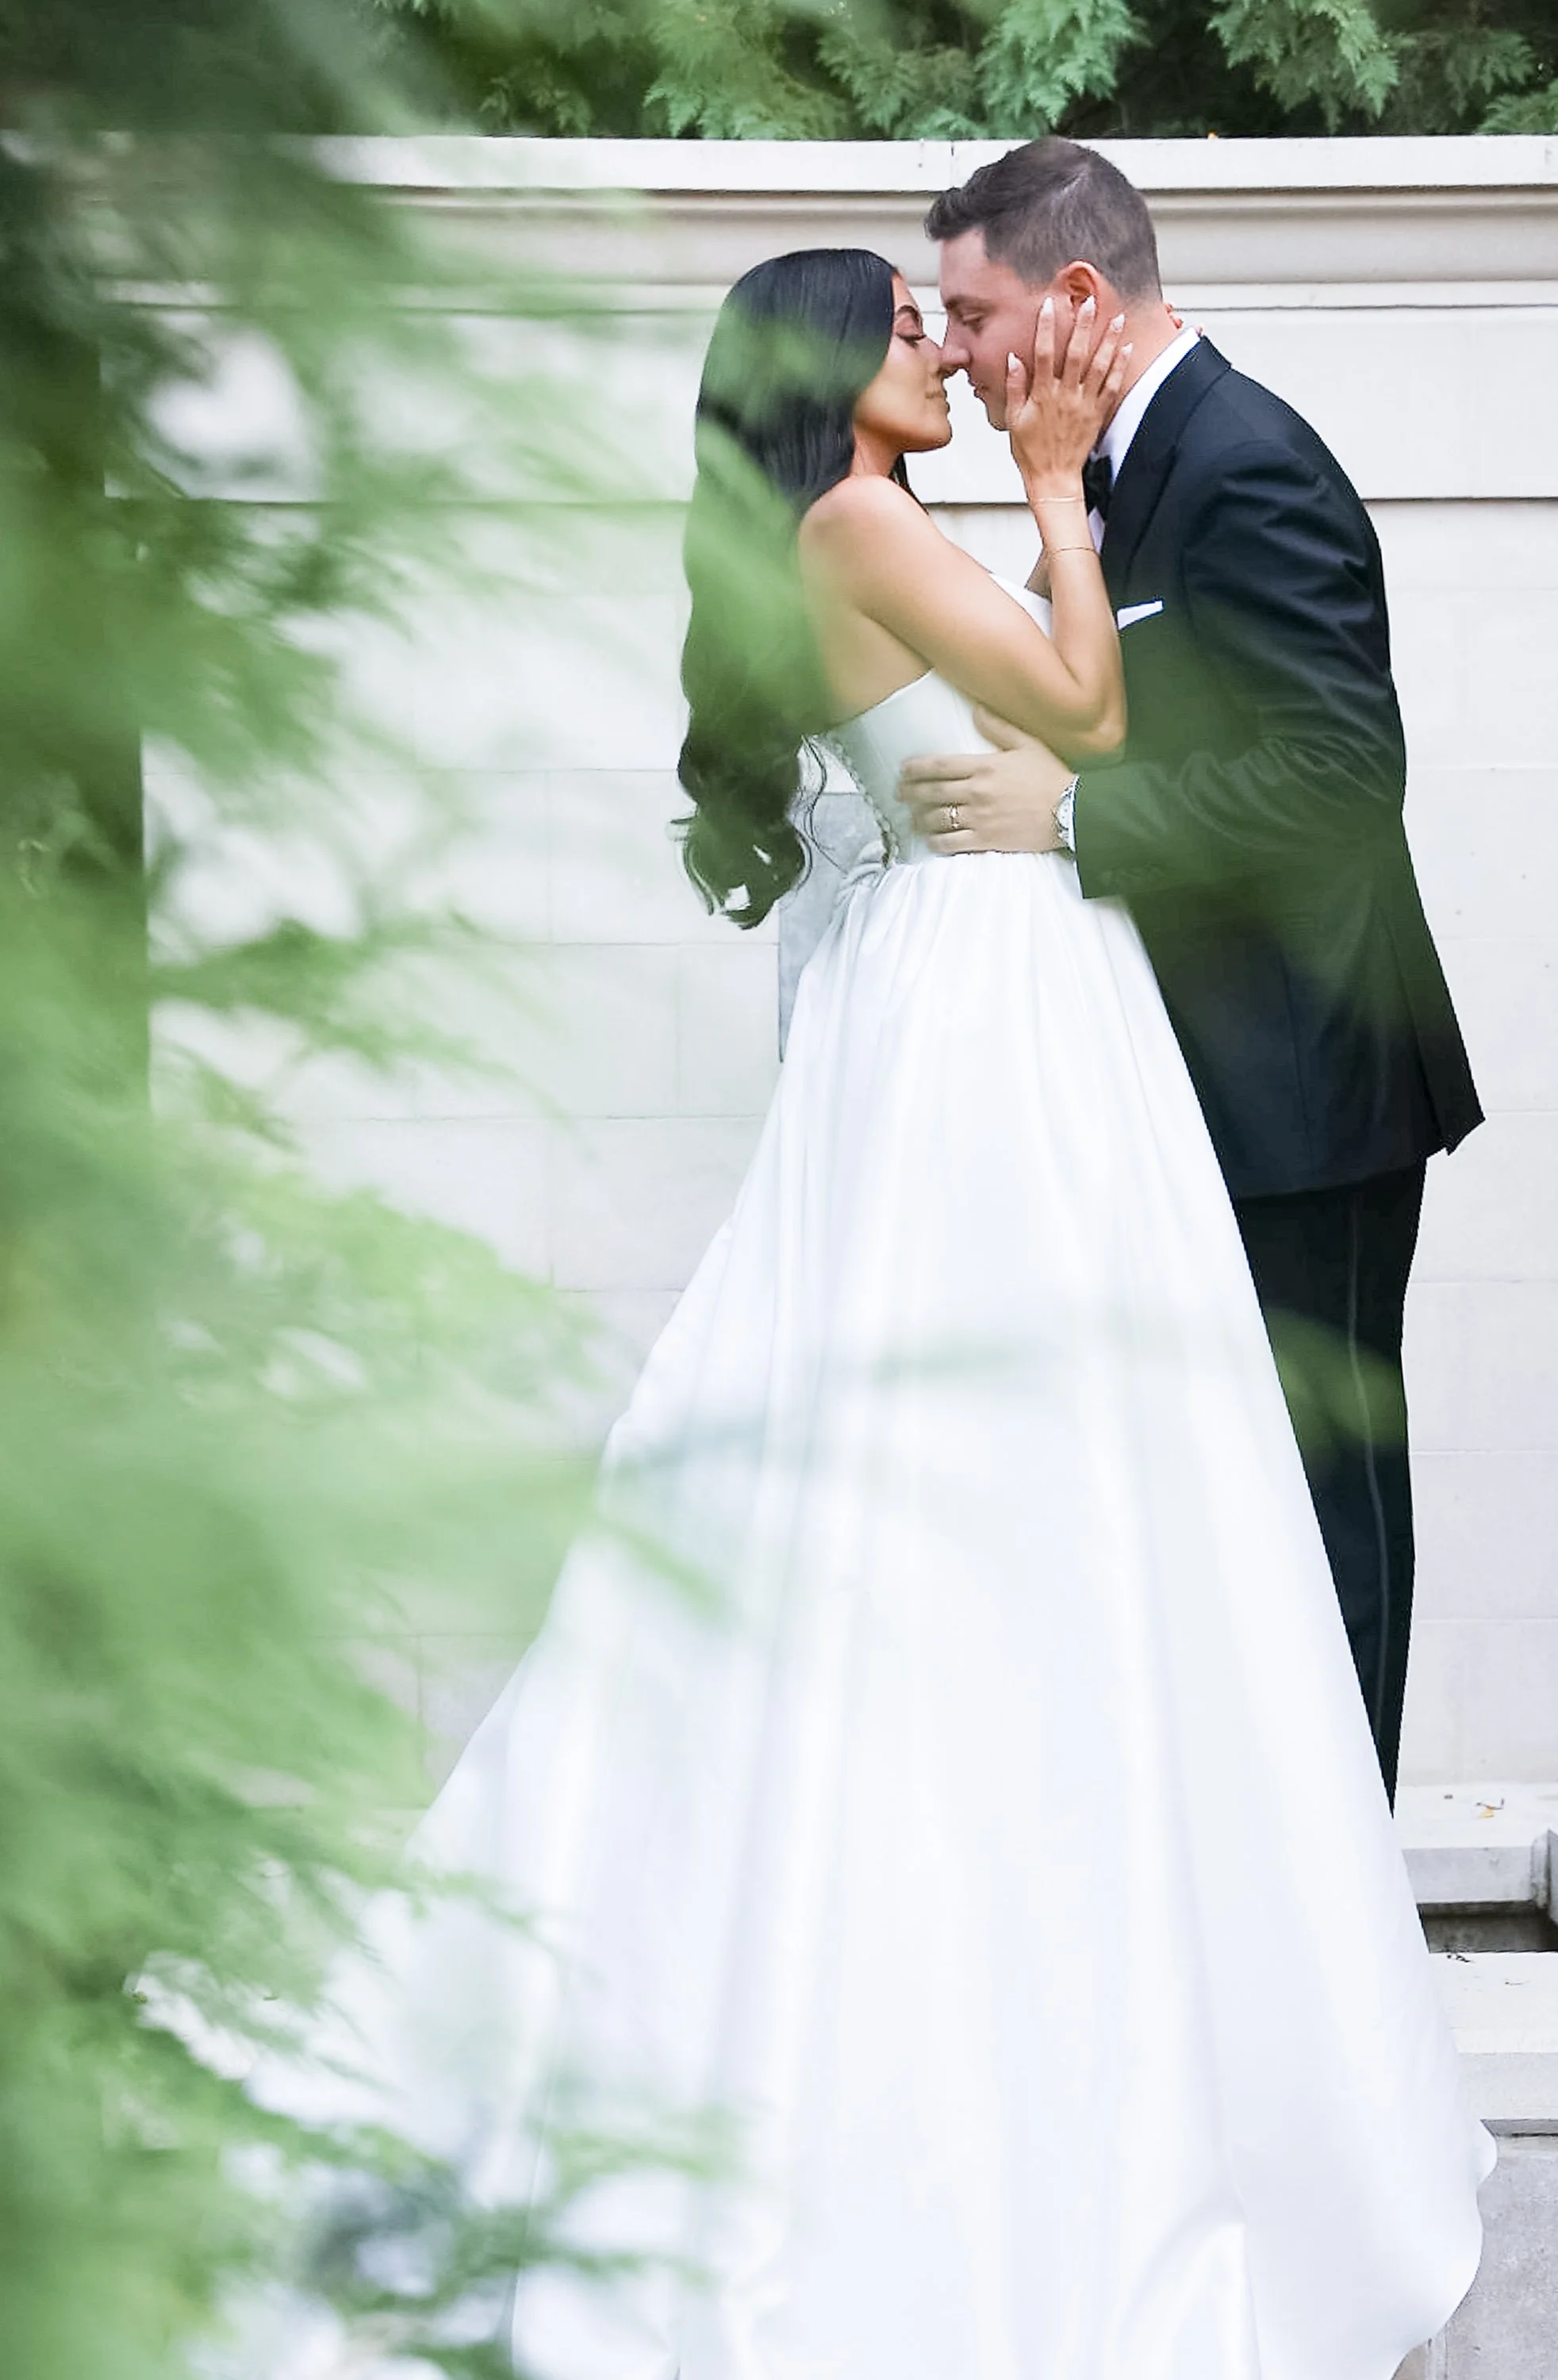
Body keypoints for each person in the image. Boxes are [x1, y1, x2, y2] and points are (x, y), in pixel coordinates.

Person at [236, 248, 1490, 2380]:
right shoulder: (856, 525)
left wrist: (1039, 545)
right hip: (991, 1028)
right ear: (837, 372)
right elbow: (1080, 709)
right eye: (913, 325)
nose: (947, 344)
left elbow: (1012, 727)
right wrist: (1072, 492)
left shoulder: (840, 538)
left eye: (948, 314)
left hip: (977, 1009)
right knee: (1031, 1488)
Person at [900, 137, 1482, 1805]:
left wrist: (1073, 817)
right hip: (1201, 1080)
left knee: (1322, 1490)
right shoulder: (1121, 470)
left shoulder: (1246, 462)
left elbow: (1334, 776)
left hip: (1311, 1089)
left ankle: (1350, 1887)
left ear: (1077, 296)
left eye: (973, 307)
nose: (955, 347)